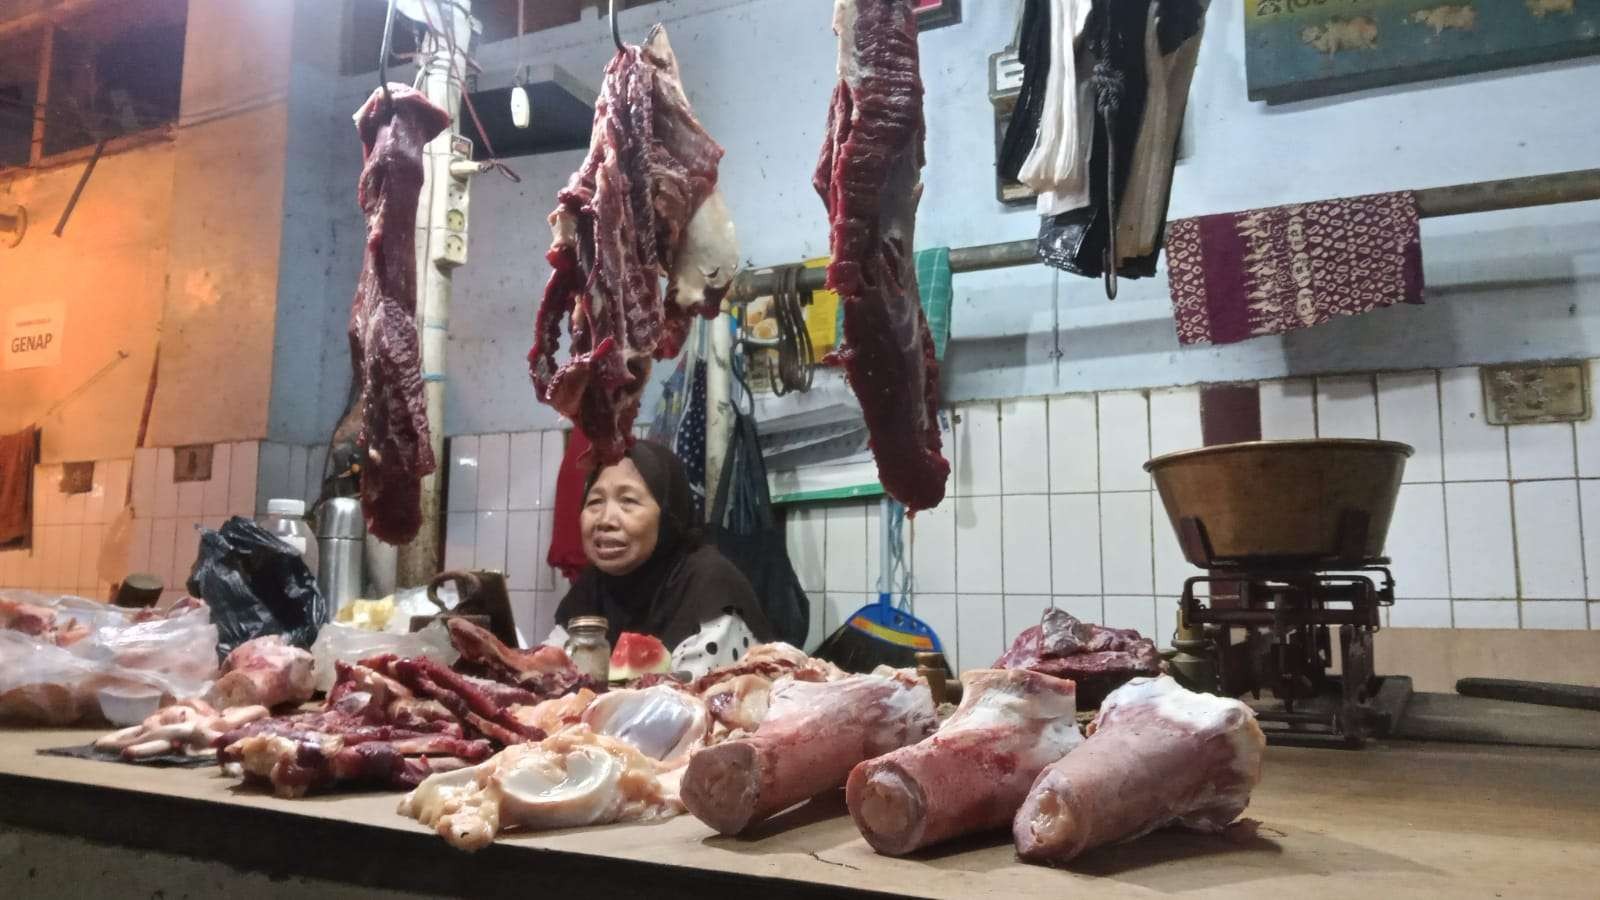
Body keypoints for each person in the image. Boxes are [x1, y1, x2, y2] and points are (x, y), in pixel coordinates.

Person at [553, 440, 774, 652]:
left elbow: (703, 686)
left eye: (628, 501)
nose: (605, 520)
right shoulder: (592, 584)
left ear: (669, 515)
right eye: (595, 502)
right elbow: (550, 670)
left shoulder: (710, 583)